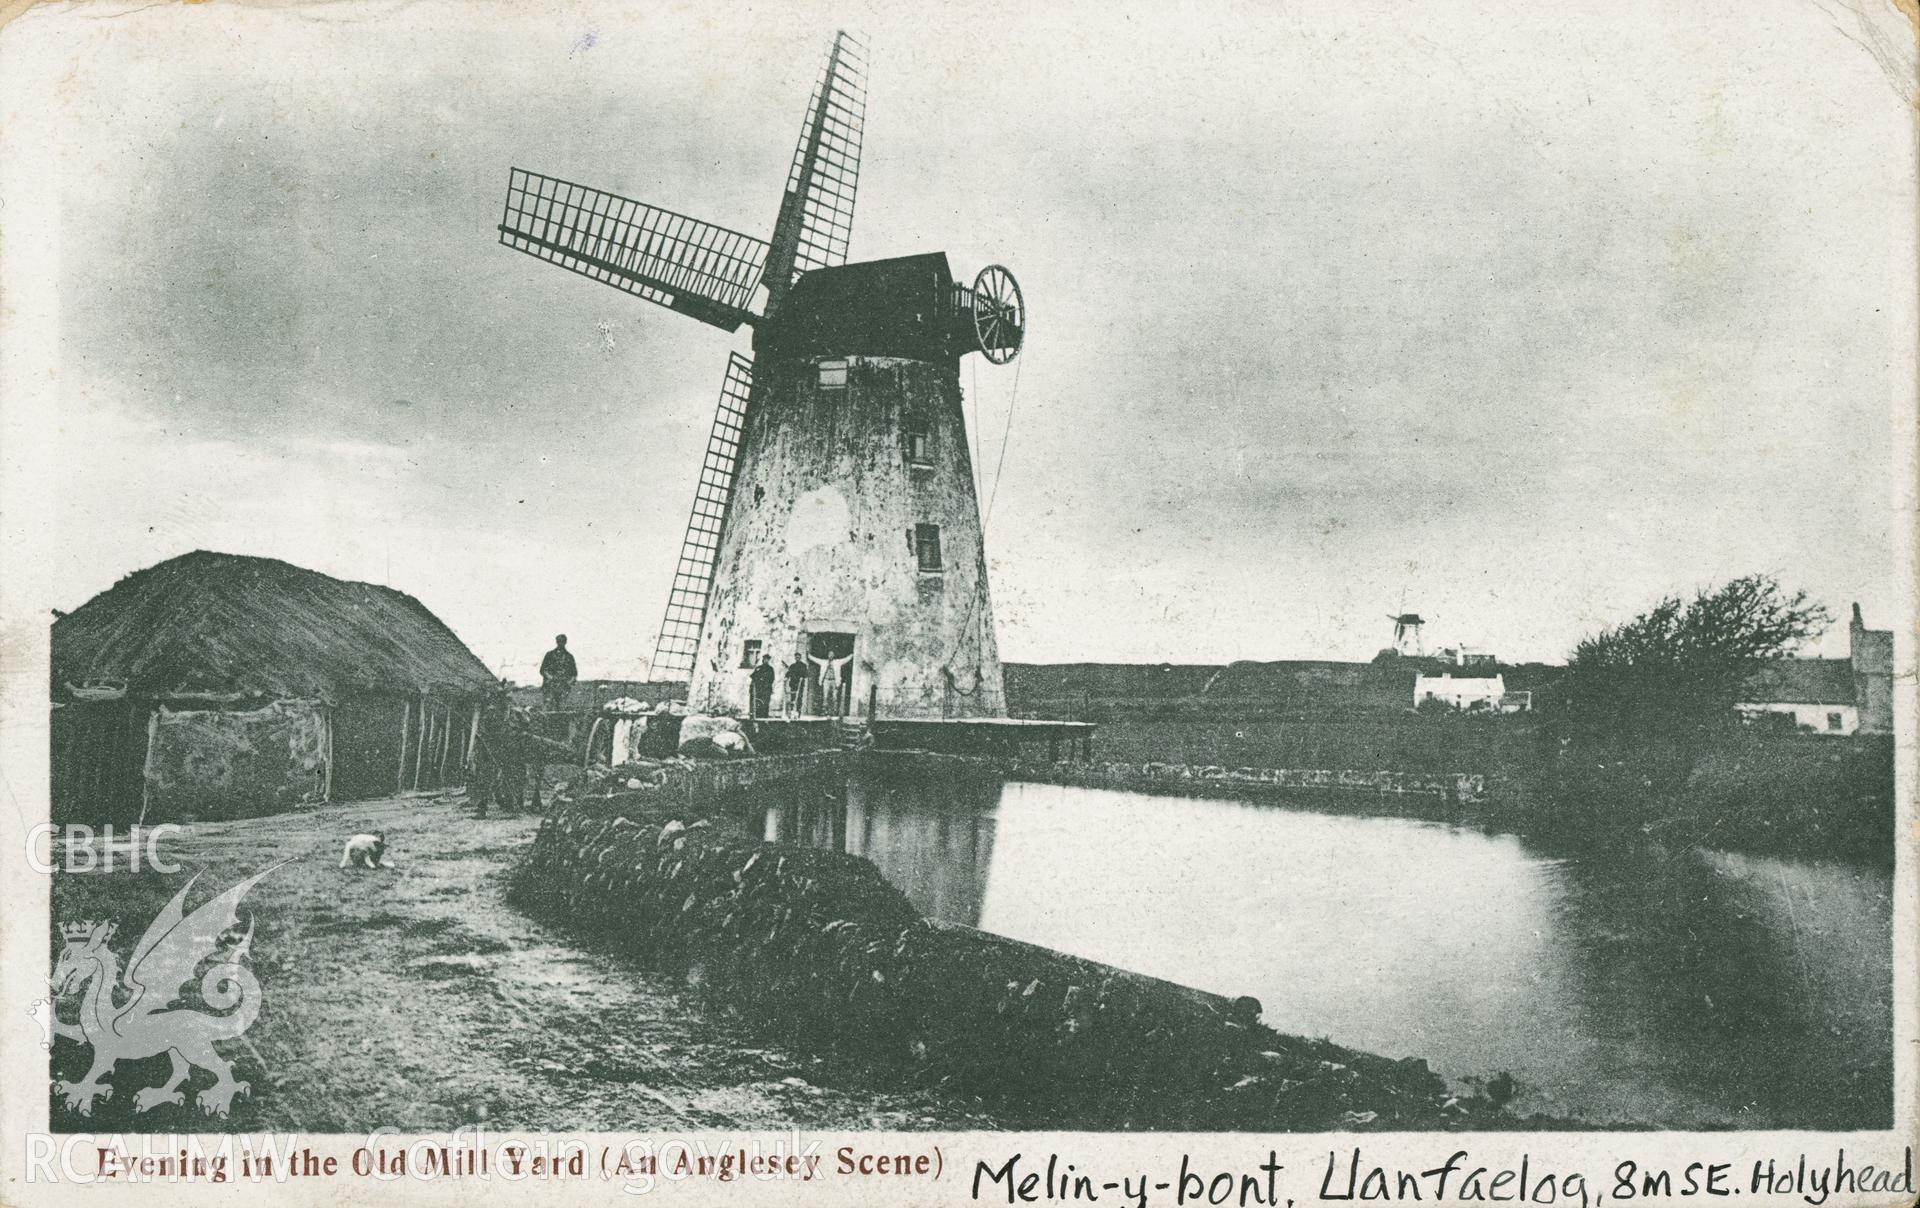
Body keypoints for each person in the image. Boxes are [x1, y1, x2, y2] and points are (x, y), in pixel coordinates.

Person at [539, 634, 577, 713]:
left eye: (562, 641)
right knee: (549, 710)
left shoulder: (569, 657)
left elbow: (574, 673)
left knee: (562, 711)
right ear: (556, 642)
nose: (560, 643)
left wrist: (568, 682)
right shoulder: (549, 655)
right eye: (558, 641)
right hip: (550, 687)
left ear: (565, 642)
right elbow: (542, 670)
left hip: (563, 688)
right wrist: (550, 678)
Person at [749, 654, 775, 719]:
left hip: (766, 689)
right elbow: (753, 676)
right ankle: (756, 715)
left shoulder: (770, 669)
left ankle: (764, 716)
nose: (766, 660)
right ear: (763, 660)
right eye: (765, 659)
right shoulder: (759, 668)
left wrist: (765, 681)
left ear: (768, 660)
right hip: (759, 688)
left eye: (767, 659)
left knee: (765, 703)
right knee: (758, 701)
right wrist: (759, 679)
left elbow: (772, 678)